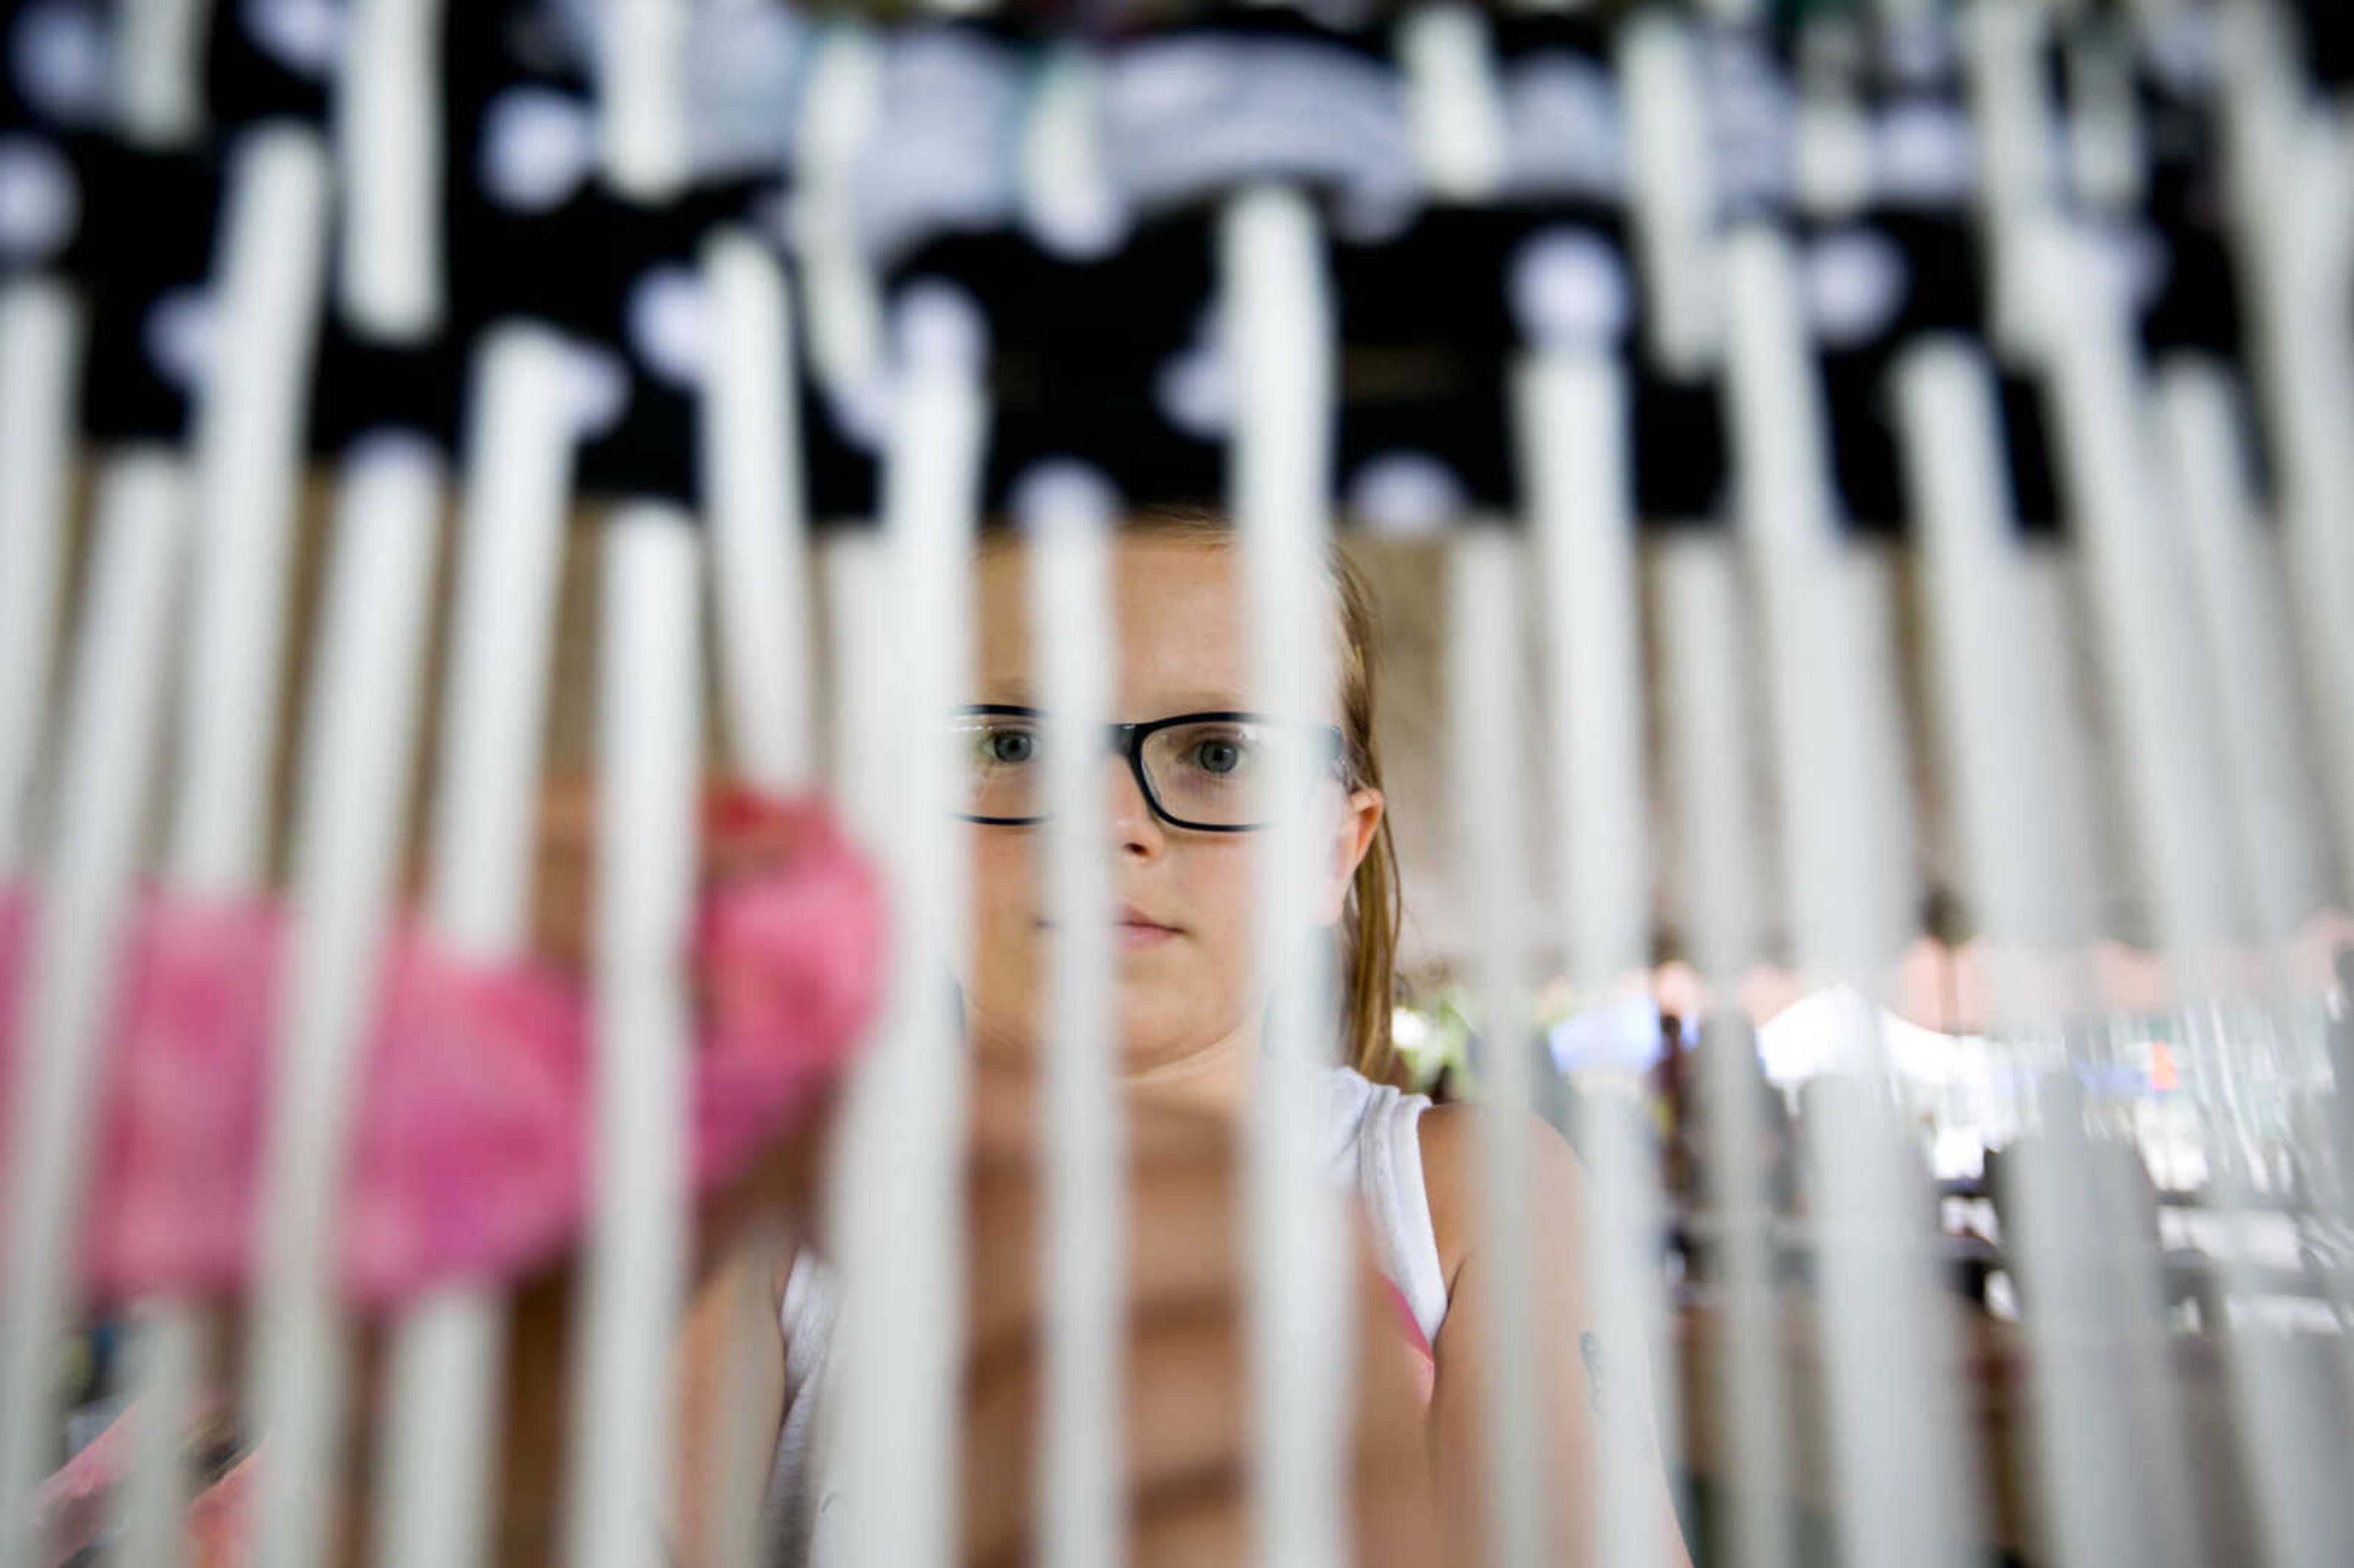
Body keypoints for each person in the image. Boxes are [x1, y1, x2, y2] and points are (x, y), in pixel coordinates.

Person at [666, 508, 1693, 1568]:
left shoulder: (1481, 1200)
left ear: (1335, 852)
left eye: (1219, 751)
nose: (1108, 816)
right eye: (1012, 741)